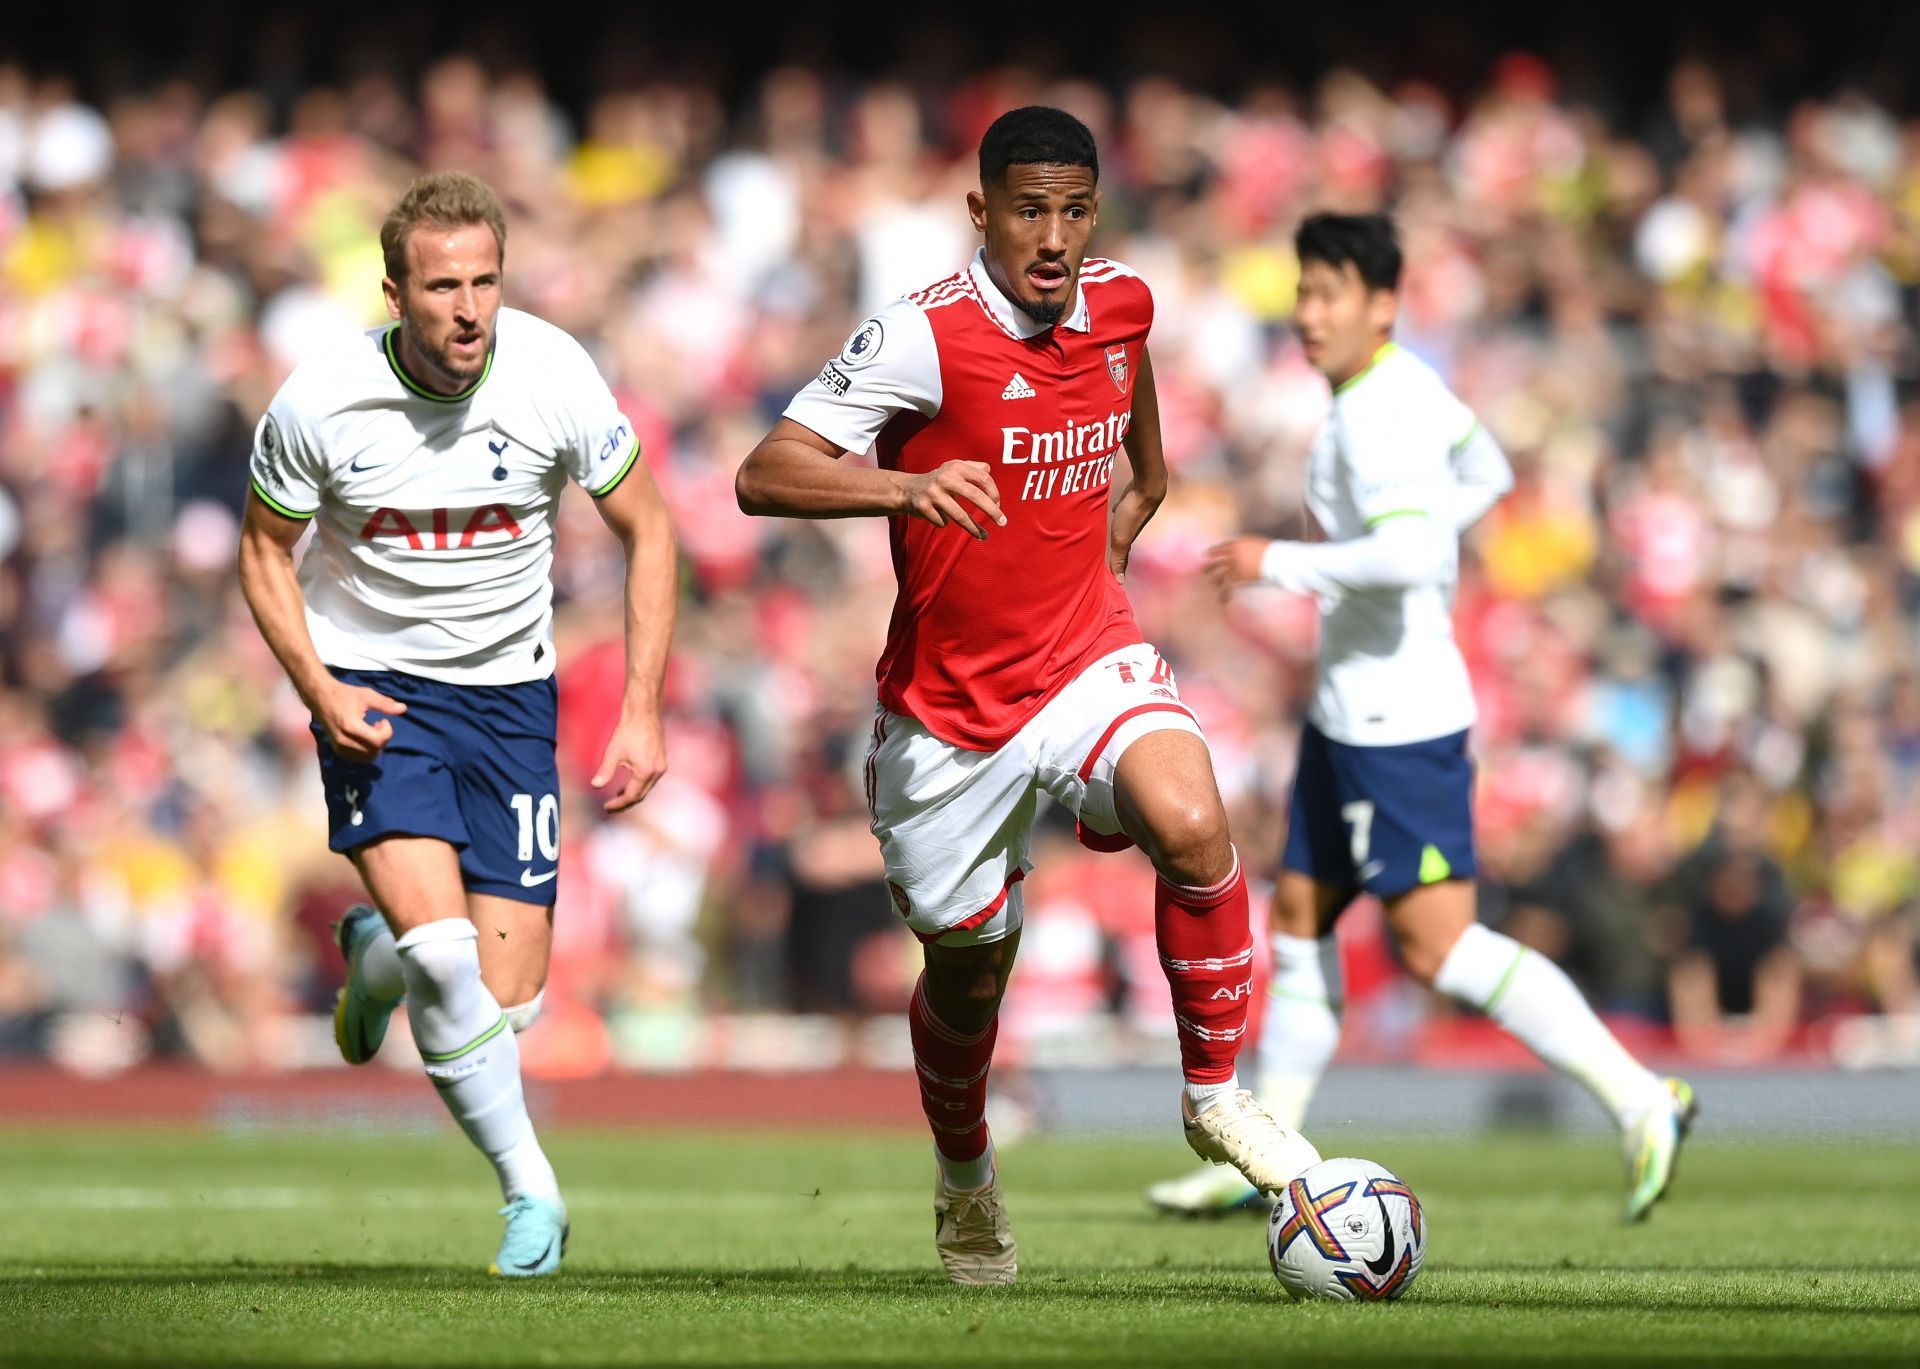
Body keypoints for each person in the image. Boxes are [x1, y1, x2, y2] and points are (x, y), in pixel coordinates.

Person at [736, 106, 1320, 1286]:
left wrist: (1145, 481)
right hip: (945, 719)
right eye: (1027, 209)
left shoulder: (1125, 301)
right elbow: (764, 472)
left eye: (1071, 209)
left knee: (1199, 822)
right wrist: (901, 490)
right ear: (982, 213)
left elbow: (1130, 371)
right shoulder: (920, 336)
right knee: (969, 971)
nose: (1051, 235)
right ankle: (965, 1177)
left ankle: (1214, 1098)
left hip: (1083, 653)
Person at [1148, 212, 1695, 1223]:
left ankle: (1639, 1096)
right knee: (1302, 917)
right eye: (1302, 291)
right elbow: (1485, 474)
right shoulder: (1400, 390)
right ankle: (1261, 1150)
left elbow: (1404, 557)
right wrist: (1409, 546)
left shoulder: (1376, 415)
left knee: (1441, 950)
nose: (1306, 313)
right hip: (1348, 711)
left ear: (1383, 304)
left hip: (1397, 723)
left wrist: (1281, 562)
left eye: (1327, 294)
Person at [237, 171, 677, 1276]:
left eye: (485, 281)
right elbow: (261, 552)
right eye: (443, 287)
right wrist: (318, 691)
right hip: (376, 689)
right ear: (396, 292)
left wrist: (640, 706)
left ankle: (372, 955)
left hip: (512, 701)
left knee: (506, 1004)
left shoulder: (554, 373)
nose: (469, 308)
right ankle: (533, 1194)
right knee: (450, 965)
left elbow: (651, 529)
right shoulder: (321, 402)